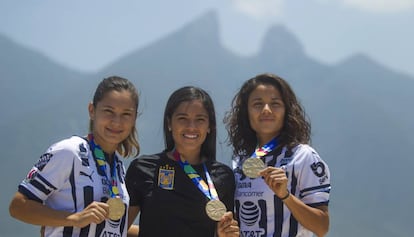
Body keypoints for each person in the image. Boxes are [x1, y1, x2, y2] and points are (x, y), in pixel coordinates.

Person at [9, 76, 140, 237]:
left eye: (126, 114)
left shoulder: (118, 166)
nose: (116, 122)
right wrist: (72, 219)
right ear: (92, 110)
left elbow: (111, 228)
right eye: (109, 111)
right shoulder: (69, 152)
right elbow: (18, 206)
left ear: (134, 119)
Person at [224, 73, 331, 237]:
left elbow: (322, 227)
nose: (266, 110)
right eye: (257, 104)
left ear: (287, 110)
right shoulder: (240, 160)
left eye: (275, 104)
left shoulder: (303, 157)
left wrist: (285, 195)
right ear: (246, 112)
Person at [125, 86, 240, 237]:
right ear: (169, 123)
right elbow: (118, 229)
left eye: (200, 119)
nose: (191, 127)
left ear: (209, 126)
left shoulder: (223, 176)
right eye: (182, 119)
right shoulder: (143, 168)